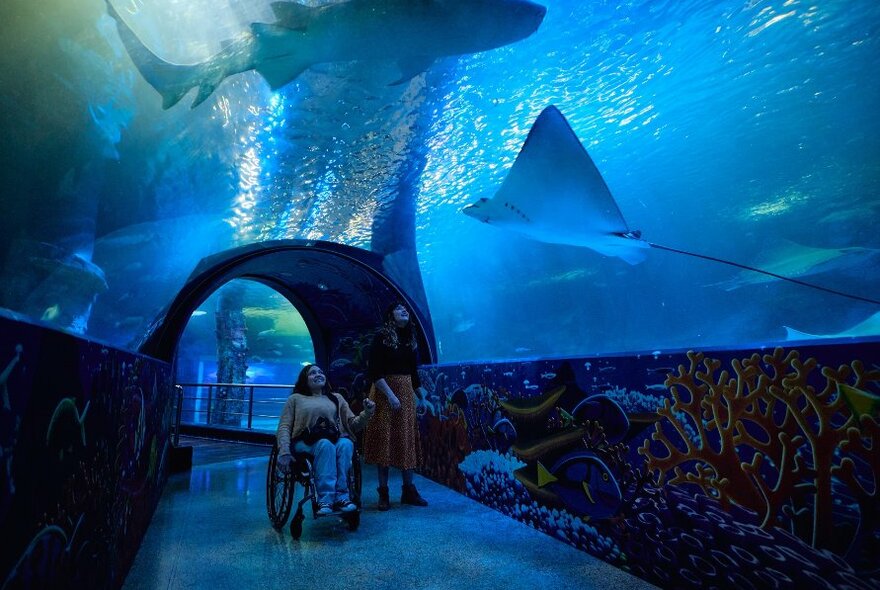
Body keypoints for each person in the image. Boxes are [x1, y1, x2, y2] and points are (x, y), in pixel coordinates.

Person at [276, 364, 375, 516]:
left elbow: (353, 425)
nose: (318, 374)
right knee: (325, 445)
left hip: (332, 439)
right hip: (304, 443)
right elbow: (284, 426)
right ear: (305, 379)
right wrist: (283, 451)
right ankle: (326, 499)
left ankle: (342, 496)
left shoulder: (337, 398)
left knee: (346, 443)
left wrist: (367, 412)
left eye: (320, 372)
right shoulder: (295, 399)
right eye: (312, 373)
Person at [363, 301, 428, 510]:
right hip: (384, 393)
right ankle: (383, 492)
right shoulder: (381, 337)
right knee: (385, 440)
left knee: (406, 439)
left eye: (406, 309)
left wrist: (422, 396)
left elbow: (413, 373)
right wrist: (390, 395)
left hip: (406, 393)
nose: (405, 311)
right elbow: (374, 372)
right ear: (390, 315)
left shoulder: (410, 339)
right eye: (400, 309)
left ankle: (408, 490)